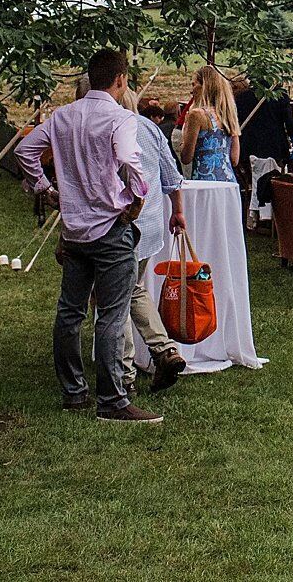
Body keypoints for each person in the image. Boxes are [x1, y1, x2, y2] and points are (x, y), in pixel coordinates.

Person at [15, 48, 161, 423]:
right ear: (120, 79)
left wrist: (44, 189)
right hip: (110, 227)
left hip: (75, 229)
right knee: (111, 314)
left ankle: (74, 392)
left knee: (69, 311)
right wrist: (138, 196)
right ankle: (113, 400)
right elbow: (130, 161)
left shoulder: (62, 116)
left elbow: (25, 149)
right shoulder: (121, 118)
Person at [119, 84, 187, 395]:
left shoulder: (109, 129)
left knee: (115, 297)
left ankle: (124, 375)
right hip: (149, 224)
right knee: (133, 288)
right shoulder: (149, 127)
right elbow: (171, 176)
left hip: (123, 224)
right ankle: (165, 351)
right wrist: (178, 211)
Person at [179, 65, 240, 183]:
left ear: (204, 86)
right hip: (228, 182)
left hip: (205, 181)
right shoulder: (228, 115)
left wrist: (185, 130)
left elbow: (186, 158)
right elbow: (234, 159)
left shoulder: (197, 115)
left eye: (194, 84)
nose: (191, 91)